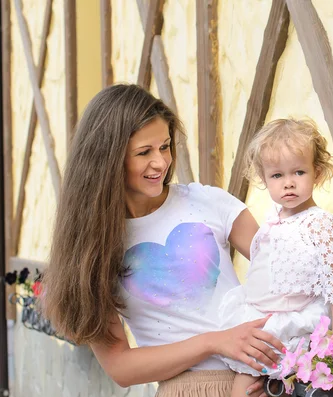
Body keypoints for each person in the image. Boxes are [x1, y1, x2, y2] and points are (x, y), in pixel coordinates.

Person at [40, 84, 285, 397]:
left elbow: (284, 271)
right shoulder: (92, 250)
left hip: (259, 380)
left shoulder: (208, 202)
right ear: (107, 160)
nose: (161, 162)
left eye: (165, 146)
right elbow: (121, 367)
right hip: (185, 389)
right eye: (144, 152)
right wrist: (215, 341)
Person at [219, 119, 333, 396]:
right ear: (264, 178)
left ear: (317, 172)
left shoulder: (320, 224)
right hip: (260, 327)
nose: (288, 183)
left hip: (295, 330)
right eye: (277, 175)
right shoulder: (271, 220)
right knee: (242, 391)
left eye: (299, 172)